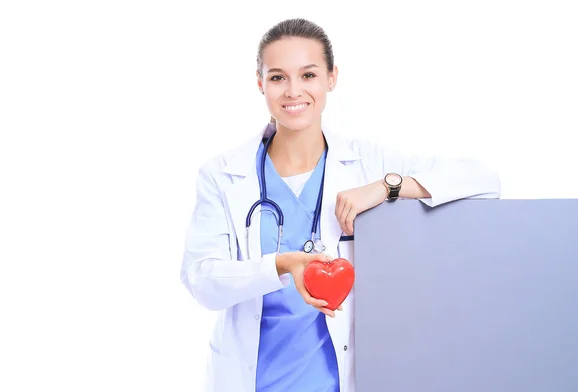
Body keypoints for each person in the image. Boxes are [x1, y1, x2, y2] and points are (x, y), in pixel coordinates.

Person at [181, 18, 500, 392]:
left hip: (337, 380)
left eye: (309, 75)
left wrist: (388, 186)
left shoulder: (366, 162)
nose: (293, 91)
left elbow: (484, 182)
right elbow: (201, 280)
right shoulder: (222, 174)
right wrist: (282, 264)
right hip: (251, 378)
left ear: (331, 78)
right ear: (259, 83)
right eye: (278, 77)